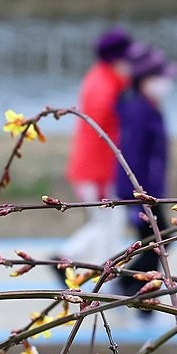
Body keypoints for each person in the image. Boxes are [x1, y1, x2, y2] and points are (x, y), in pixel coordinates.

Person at [52, 27, 133, 284]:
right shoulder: (105, 86)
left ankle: (71, 259)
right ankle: (94, 272)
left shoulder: (103, 79)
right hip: (97, 173)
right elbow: (101, 135)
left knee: (108, 223)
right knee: (109, 224)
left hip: (97, 170)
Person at [115, 44, 177, 312]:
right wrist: (135, 199)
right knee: (158, 242)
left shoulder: (150, 108)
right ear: (145, 80)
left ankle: (136, 290)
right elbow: (133, 157)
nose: (166, 84)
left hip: (151, 191)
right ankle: (135, 290)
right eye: (160, 78)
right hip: (141, 192)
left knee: (157, 242)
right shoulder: (138, 111)